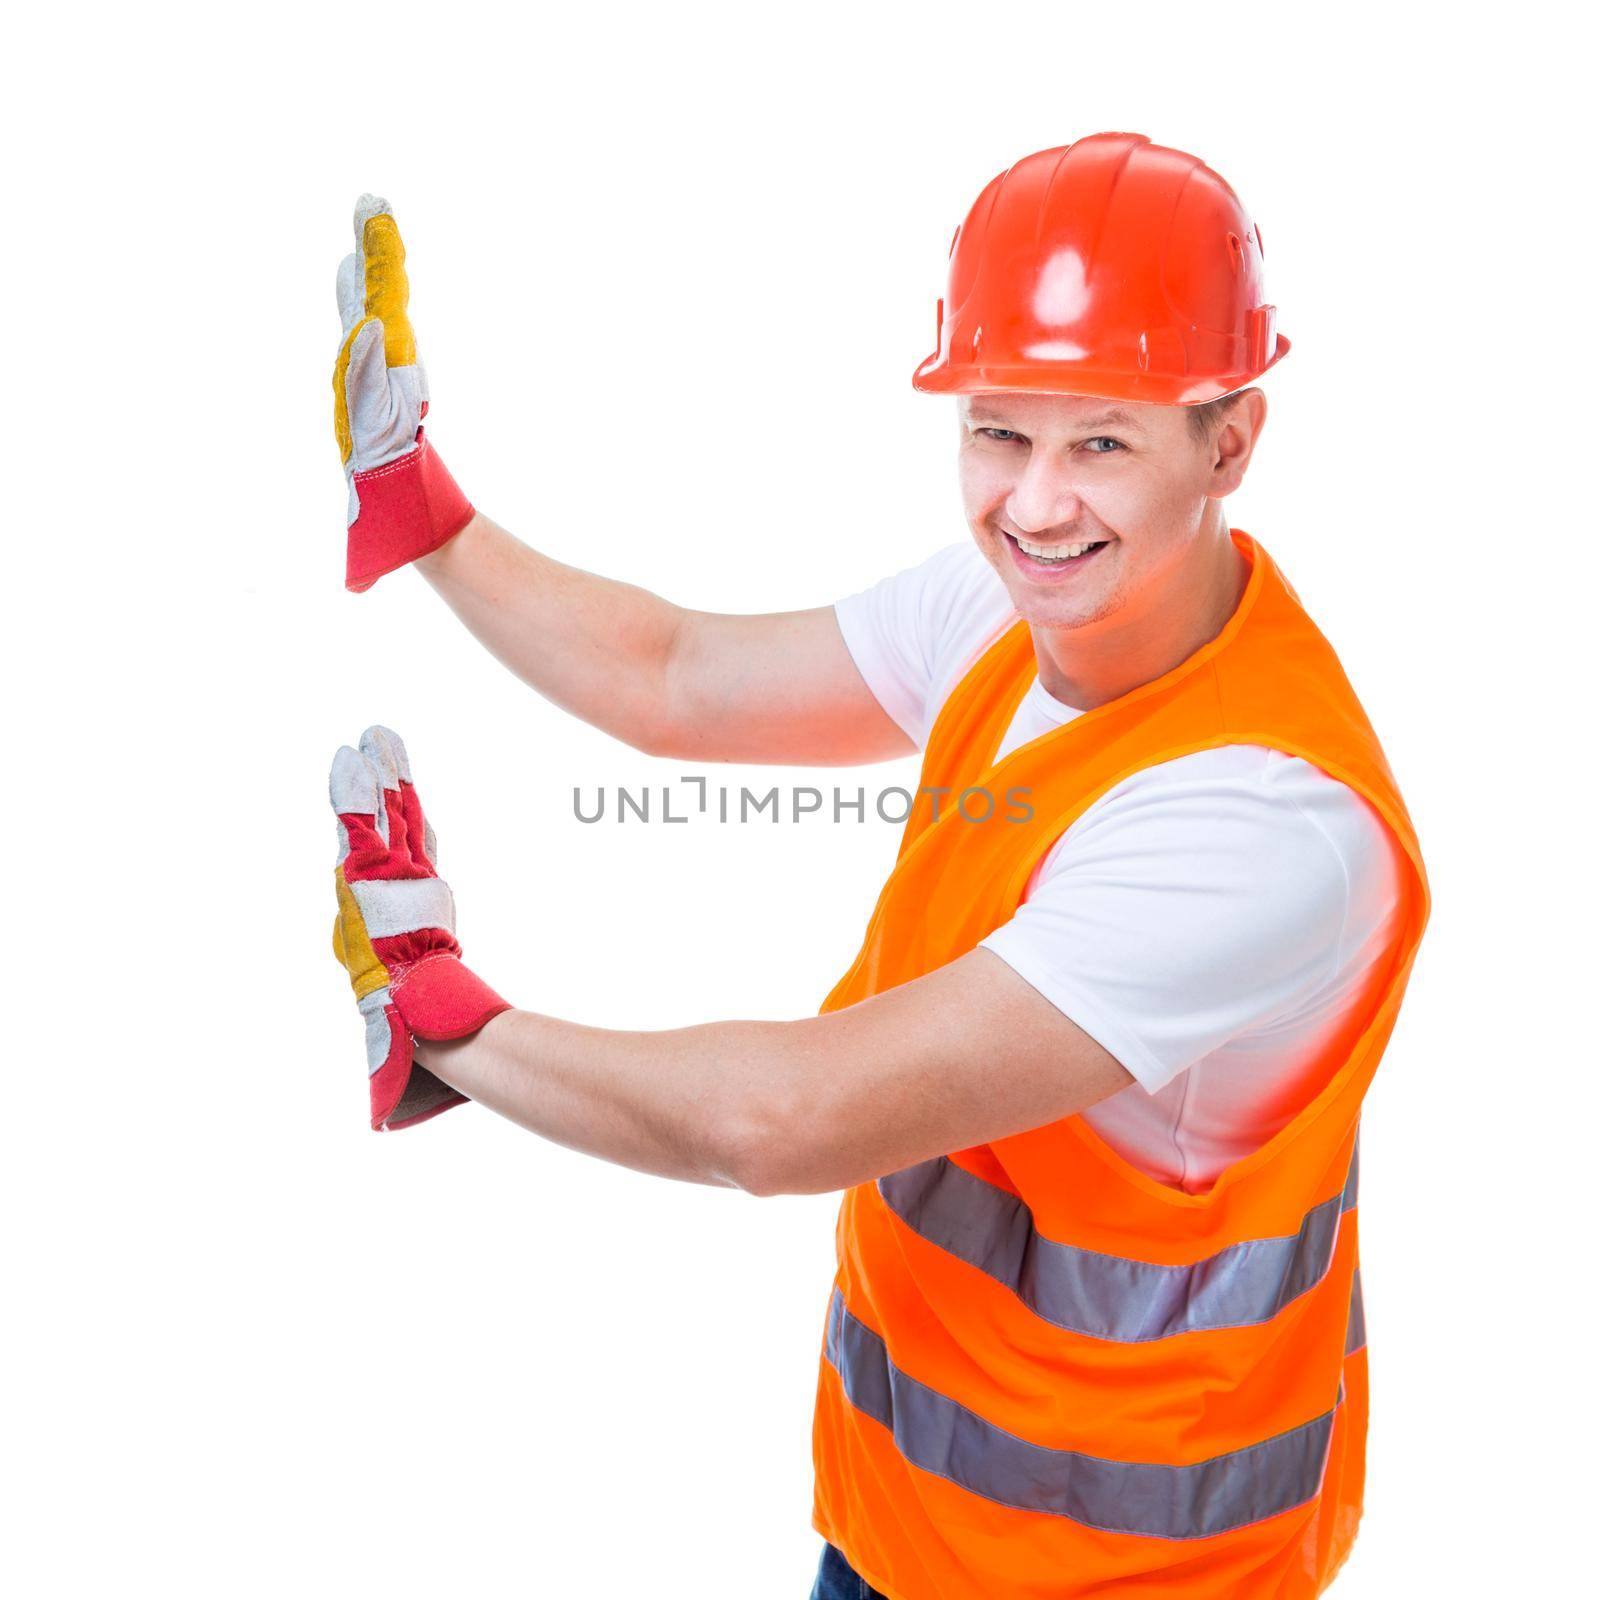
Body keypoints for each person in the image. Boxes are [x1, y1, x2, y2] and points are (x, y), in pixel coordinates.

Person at [325, 133, 1432, 1598]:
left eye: (1101, 439)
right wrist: (420, 511)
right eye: (998, 431)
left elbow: (782, 1121)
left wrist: (447, 1022)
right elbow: (683, 677)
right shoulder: (1025, 608)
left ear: (1228, 441)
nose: (1035, 506)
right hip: (905, 1506)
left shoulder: (1262, 823)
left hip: (1123, 1573)